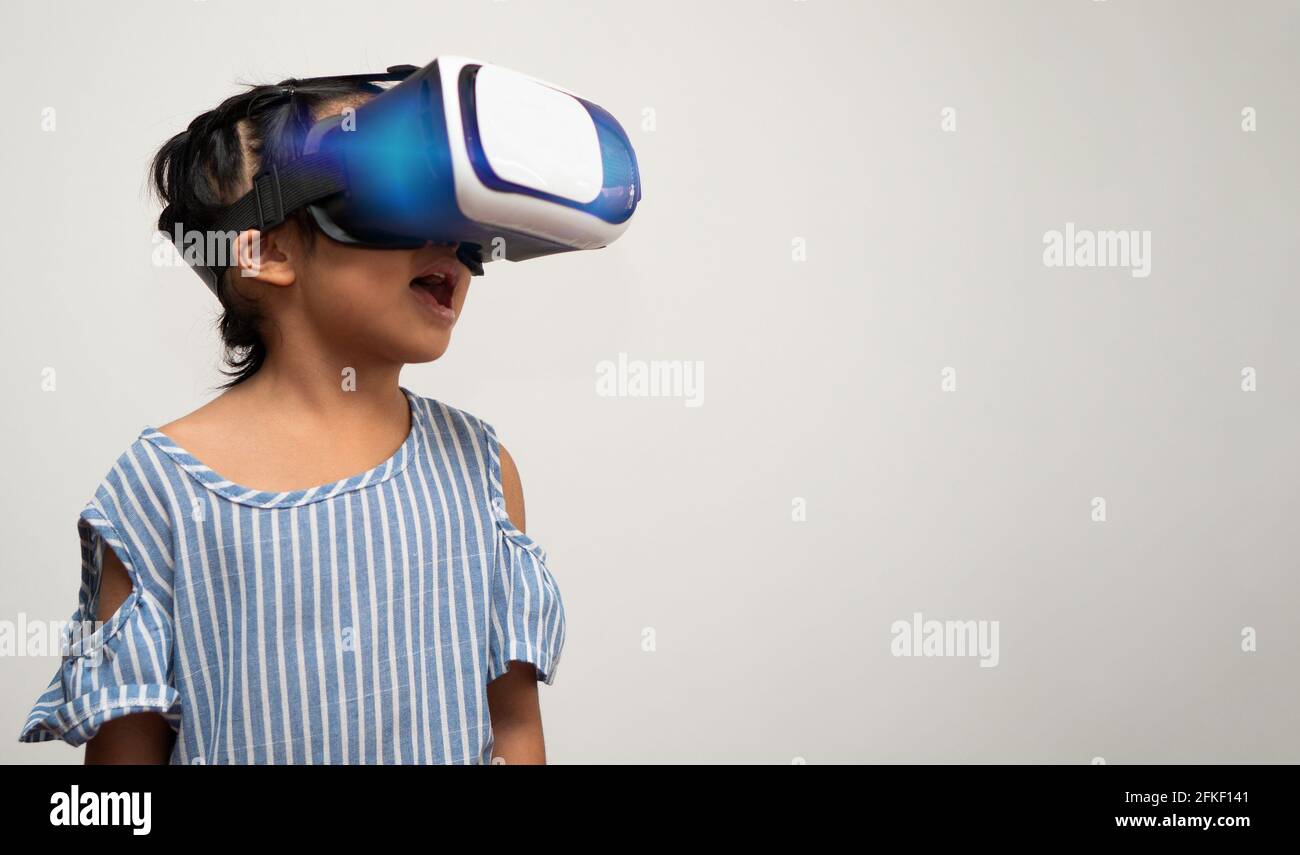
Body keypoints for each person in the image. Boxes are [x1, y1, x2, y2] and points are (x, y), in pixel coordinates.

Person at [18, 75, 566, 764]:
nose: (447, 235)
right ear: (266, 250)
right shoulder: (159, 494)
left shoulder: (480, 472)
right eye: (393, 190)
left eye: (447, 200)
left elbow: (514, 731)